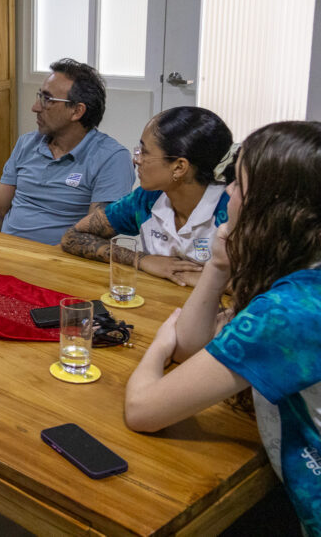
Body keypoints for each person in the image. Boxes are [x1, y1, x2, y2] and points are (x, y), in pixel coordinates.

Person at [125, 121, 321, 534]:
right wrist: (218, 263)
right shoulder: (304, 275)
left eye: (238, 185)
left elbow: (143, 410)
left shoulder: (289, 312)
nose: (227, 192)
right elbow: (193, 347)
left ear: (273, 207)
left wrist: (158, 345)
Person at [61, 107, 234, 287]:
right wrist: (140, 259)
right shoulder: (147, 199)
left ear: (179, 167)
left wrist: (211, 280)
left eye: (144, 152)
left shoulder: (232, 209)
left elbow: (254, 286)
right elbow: (73, 236)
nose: (136, 159)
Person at [0, 58, 133, 245]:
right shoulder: (26, 144)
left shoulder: (112, 159)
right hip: (5, 252)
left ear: (77, 111)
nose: (35, 107)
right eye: (39, 96)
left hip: (58, 258)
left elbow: (94, 238)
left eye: (47, 99)